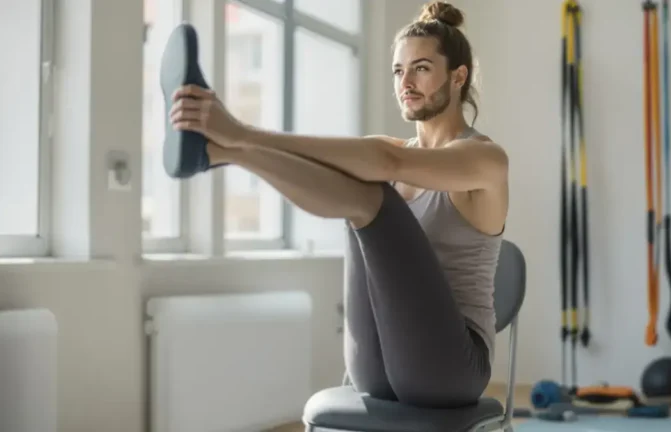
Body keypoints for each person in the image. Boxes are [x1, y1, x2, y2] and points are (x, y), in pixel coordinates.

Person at [167, 1, 509, 408]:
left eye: (421, 68)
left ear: (458, 77)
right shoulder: (392, 149)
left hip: (452, 369)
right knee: (358, 184)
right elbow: (367, 157)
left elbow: (388, 163)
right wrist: (239, 144)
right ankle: (215, 154)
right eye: (398, 71)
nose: (406, 81)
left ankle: (224, 149)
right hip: (378, 368)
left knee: (373, 192)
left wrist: (242, 132)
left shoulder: (485, 160)